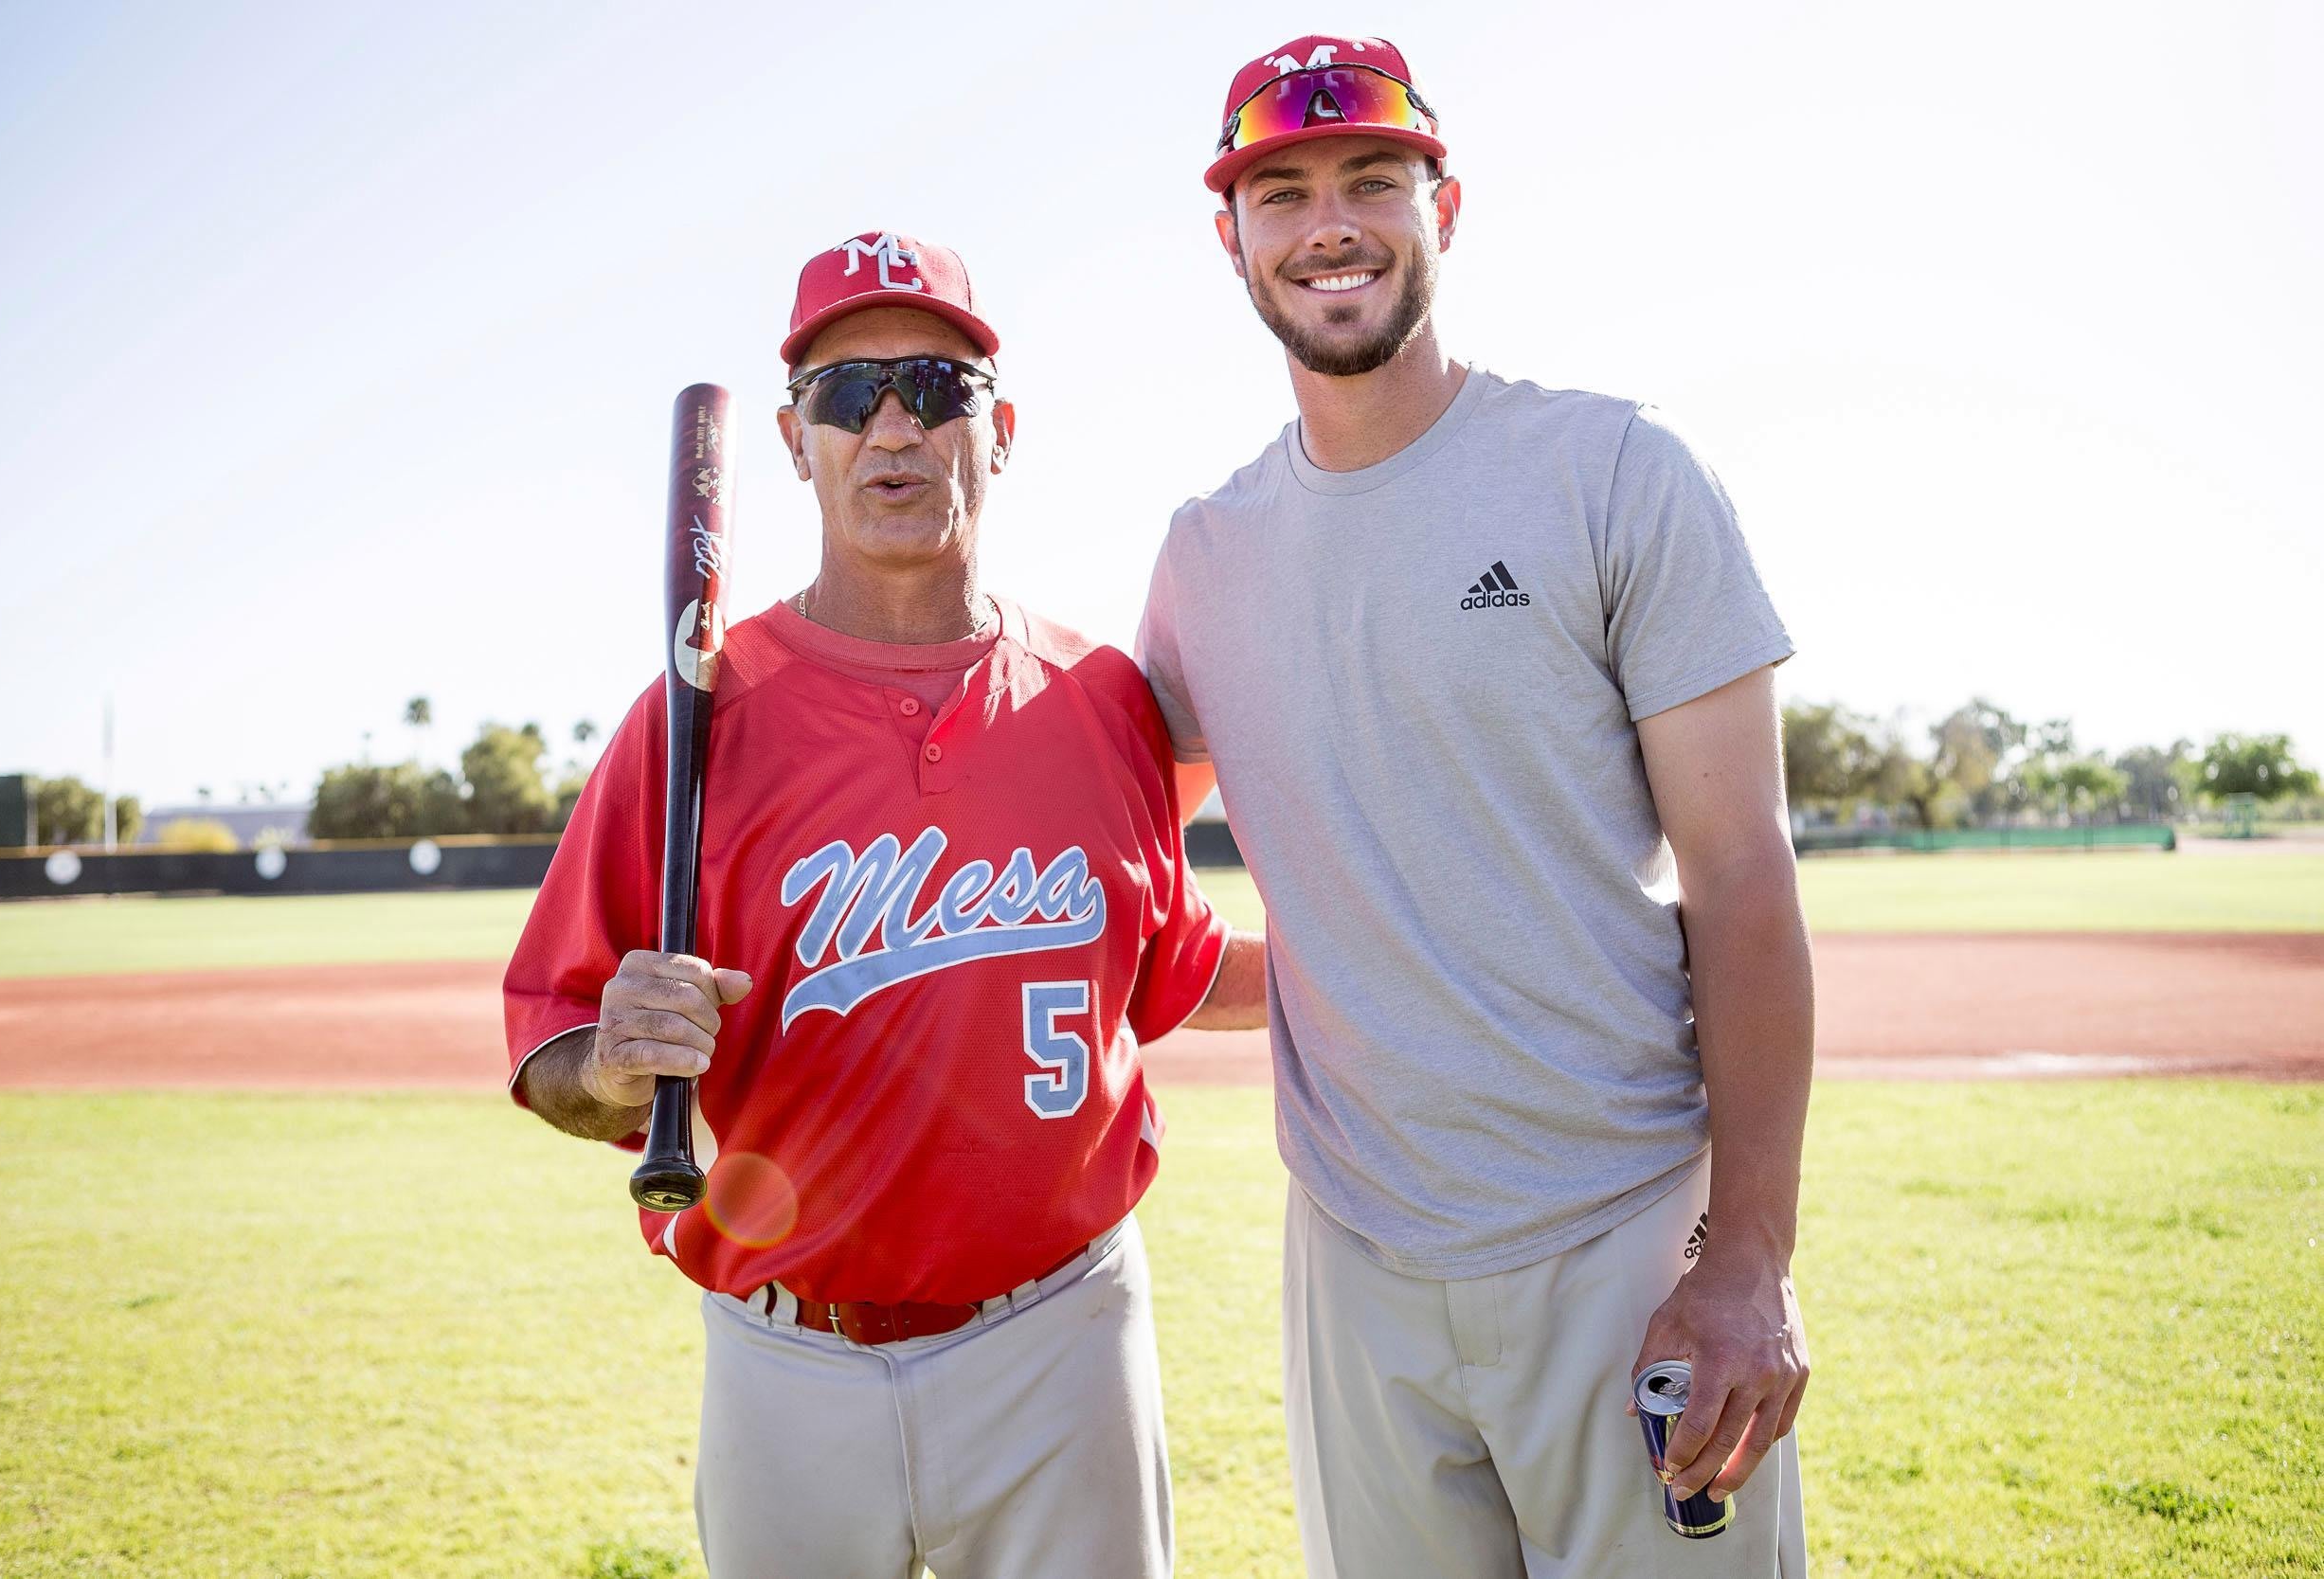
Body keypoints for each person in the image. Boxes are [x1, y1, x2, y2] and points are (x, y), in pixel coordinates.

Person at [1136, 36, 1813, 1576]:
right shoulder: (1205, 556)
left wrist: (1750, 1255)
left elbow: (1744, 876)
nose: (1330, 224)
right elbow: (1094, 841)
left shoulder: (1611, 472)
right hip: (1356, 1255)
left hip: (1622, 1225)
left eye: (1373, 179)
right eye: (1283, 190)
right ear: (1228, 236)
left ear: (1443, 202)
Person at [505, 229, 1266, 1579]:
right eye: (848, 395)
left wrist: (1432, 951)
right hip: (786, 1355)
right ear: (797, 441)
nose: (895, 426)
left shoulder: (1101, 703)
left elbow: (1176, 973)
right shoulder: (694, 718)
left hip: (1062, 1342)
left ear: (1002, 426)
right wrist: (618, 1069)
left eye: (937, 385)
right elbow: (557, 1053)